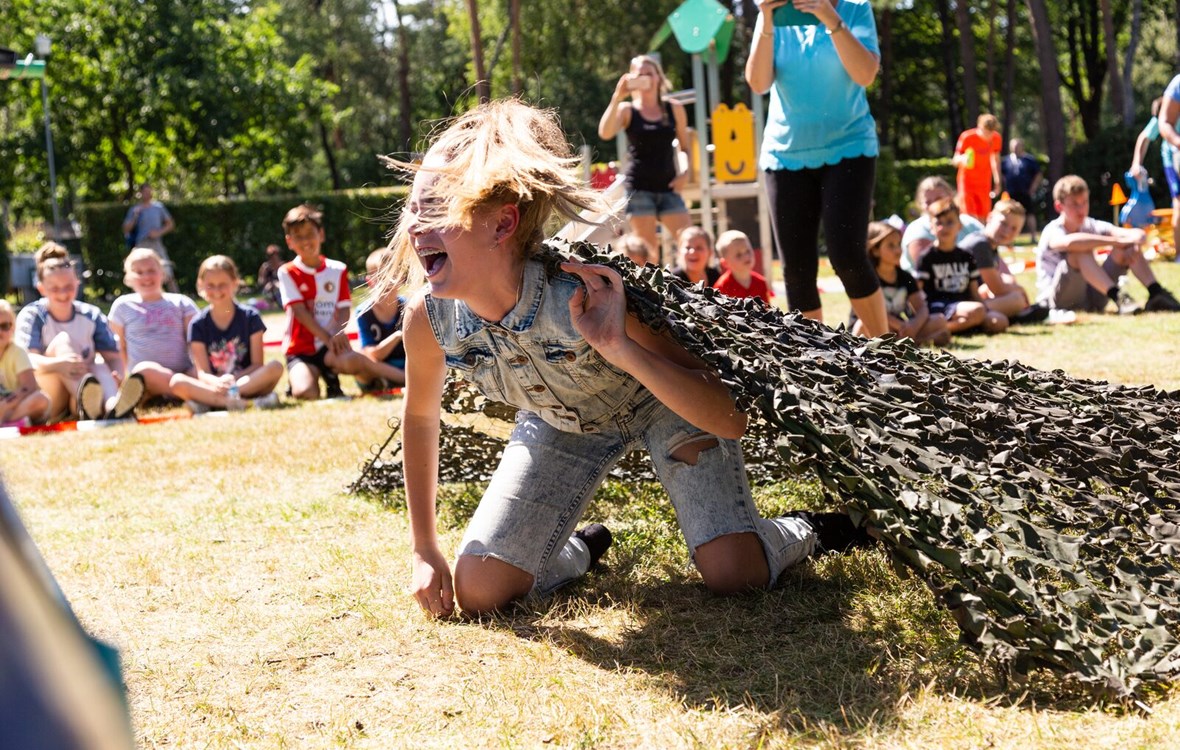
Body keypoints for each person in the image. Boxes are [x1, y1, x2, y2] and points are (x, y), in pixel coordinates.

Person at [379, 99, 871, 618]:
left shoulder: (584, 291)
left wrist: (619, 346)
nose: (415, 225)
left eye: (436, 210)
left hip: (662, 405)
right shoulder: (428, 320)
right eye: (414, 206)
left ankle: (809, 529)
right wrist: (424, 549)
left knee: (735, 574)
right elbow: (419, 415)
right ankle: (579, 551)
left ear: (503, 225)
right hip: (562, 425)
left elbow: (727, 417)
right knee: (480, 591)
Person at [745, 0, 889, 336]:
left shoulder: (855, 8)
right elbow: (758, 83)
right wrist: (765, 19)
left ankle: (887, 350)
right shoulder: (774, 13)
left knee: (847, 256)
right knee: (796, 269)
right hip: (785, 155)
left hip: (849, 148)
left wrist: (829, 16)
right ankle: (817, 365)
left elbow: (865, 73)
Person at [15, 243, 144, 421]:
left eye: (68, 286)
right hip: (50, 393)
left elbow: (113, 357)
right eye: (54, 288)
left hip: (81, 392)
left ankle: (111, 406)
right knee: (63, 341)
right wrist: (59, 364)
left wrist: (118, 375)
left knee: (98, 364)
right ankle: (89, 401)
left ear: (77, 282)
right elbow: (28, 360)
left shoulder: (90, 314)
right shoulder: (33, 315)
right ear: (41, 288)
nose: (63, 294)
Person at [278, 204, 395, 400]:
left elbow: (343, 308)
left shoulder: (337, 269)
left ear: (321, 234)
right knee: (306, 393)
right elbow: (300, 312)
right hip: (301, 349)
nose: (306, 240)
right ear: (289, 242)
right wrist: (328, 338)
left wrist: (338, 332)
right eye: (298, 236)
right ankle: (302, 379)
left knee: (356, 361)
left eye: (310, 233)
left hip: (331, 344)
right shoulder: (287, 272)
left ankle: (379, 380)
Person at [1036, 175, 1180, 314]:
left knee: (1127, 247)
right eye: (1074, 204)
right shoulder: (1053, 230)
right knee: (1079, 252)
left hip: (1092, 298)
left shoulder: (1090, 224)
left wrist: (1129, 242)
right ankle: (1119, 297)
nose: (1081, 209)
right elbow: (1070, 242)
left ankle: (1156, 293)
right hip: (1059, 300)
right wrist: (1116, 241)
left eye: (1084, 202)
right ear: (1059, 206)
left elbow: (1137, 235)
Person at [598, 54, 691, 265]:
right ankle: (655, 296)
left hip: (668, 187)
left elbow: (684, 147)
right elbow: (605, 132)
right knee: (648, 255)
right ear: (631, 79)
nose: (646, 79)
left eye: (650, 74)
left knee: (690, 239)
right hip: (639, 188)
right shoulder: (627, 110)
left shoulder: (673, 108)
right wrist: (617, 97)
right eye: (639, 75)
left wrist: (685, 172)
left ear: (659, 77)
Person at [172, 255, 284, 413]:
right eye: (210, 285)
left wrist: (233, 382)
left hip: (246, 382)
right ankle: (245, 404)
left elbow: (257, 365)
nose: (217, 290)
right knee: (177, 382)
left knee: (276, 367)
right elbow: (203, 373)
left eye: (222, 284)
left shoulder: (251, 317)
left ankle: (211, 403)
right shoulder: (197, 324)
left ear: (234, 283)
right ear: (201, 285)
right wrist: (218, 383)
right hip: (215, 385)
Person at [108, 248, 200, 402]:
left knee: (205, 373)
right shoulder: (123, 306)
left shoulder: (182, 303)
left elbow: (196, 342)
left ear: (162, 273)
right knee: (145, 371)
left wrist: (199, 369)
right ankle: (195, 394)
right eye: (139, 272)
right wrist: (123, 377)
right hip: (146, 378)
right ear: (128, 278)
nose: (146, 277)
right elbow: (118, 347)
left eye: (151, 270)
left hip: (184, 373)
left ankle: (184, 392)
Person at [915, 198, 1008, 335]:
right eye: (939, 223)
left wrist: (986, 311)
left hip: (963, 304)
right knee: (976, 311)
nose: (944, 227)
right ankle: (941, 328)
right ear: (931, 227)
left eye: (949, 222)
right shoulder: (927, 257)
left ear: (959, 225)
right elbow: (918, 292)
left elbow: (974, 292)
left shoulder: (966, 256)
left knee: (1000, 321)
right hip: (938, 306)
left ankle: (953, 327)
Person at [857, 221, 949, 345]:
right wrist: (899, 325)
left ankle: (900, 343)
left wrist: (913, 326)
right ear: (875, 251)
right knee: (863, 324)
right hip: (875, 328)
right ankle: (912, 342)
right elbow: (867, 310)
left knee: (939, 320)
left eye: (898, 244)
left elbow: (922, 308)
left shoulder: (905, 277)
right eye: (891, 245)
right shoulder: (868, 278)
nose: (897, 250)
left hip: (900, 330)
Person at [958, 200, 1049, 324]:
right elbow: (998, 289)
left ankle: (1009, 313)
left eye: (1014, 228)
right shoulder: (980, 244)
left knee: (1005, 293)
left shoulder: (990, 246)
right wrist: (1019, 289)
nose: (1007, 232)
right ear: (990, 218)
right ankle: (1014, 314)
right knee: (1016, 300)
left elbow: (997, 283)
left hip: (969, 298)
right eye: (1003, 224)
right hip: (958, 303)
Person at [900, 176, 985, 272]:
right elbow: (931, 271)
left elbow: (993, 256)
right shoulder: (916, 230)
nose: (933, 205)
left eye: (938, 199)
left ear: (950, 197)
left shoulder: (969, 223)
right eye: (928, 202)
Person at [353, 249, 408, 393]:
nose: (388, 280)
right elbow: (373, 355)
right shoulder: (364, 312)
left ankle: (392, 382)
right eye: (381, 275)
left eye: (393, 273)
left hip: (408, 364)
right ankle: (405, 380)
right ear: (370, 281)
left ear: (401, 277)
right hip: (379, 366)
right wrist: (397, 335)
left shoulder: (410, 307)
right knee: (358, 358)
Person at [0, 300, 51, 427]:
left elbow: (28, 387)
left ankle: (10, 421)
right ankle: (12, 422)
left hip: (18, 404)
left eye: (5, 326)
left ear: (13, 328)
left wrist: (5, 406)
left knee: (41, 400)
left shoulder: (17, 352)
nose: (0, 332)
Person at [1140, 93, 1180, 254]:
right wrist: (1137, 163)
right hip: (1173, 163)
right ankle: (1179, 254)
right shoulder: (1162, 118)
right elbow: (1144, 137)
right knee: (1178, 204)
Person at [121, 183, 177, 291]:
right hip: (141, 244)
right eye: (145, 192)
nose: (147, 194)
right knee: (136, 270)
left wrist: (159, 232)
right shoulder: (135, 209)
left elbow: (170, 224)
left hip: (156, 243)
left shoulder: (158, 207)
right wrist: (135, 217)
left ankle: (176, 297)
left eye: (149, 191)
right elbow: (126, 229)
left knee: (167, 270)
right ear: (141, 193)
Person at [952, 113, 1003, 221]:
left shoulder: (996, 138)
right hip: (967, 182)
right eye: (986, 132)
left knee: (984, 216)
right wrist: (963, 159)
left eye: (991, 133)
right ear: (979, 127)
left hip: (984, 182)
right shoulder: (967, 137)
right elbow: (955, 160)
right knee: (968, 215)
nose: (988, 136)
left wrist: (997, 180)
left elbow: (996, 160)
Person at [713, 230, 772, 304]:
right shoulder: (721, 287)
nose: (746, 256)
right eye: (738, 255)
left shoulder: (761, 282)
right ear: (725, 263)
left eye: (748, 251)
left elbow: (766, 311)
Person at [1000, 138, 1043, 240]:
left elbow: (1038, 174)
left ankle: (1033, 236)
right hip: (1011, 192)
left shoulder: (1029, 160)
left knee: (1029, 213)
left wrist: (1033, 188)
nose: (1016, 148)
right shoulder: (1006, 161)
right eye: (1014, 146)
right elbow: (1001, 174)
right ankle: (1009, 238)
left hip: (1025, 191)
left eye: (1018, 146)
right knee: (1009, 214)